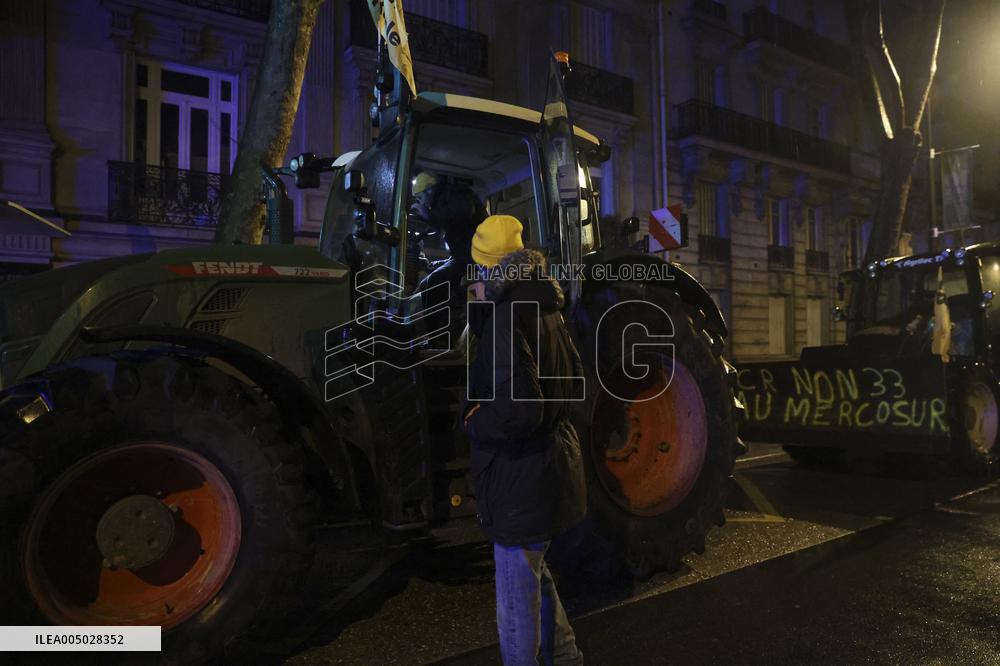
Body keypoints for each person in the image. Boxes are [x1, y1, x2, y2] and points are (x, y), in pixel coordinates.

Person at [461, 214, 587, 665]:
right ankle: (568, 659)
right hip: (549, 469)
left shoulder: (505, 319)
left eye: (477, 267)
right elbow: (571, 383)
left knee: (516, 604)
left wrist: (475, 422)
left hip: (519, 481)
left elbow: (519, 411)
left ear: (489, 269)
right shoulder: (548, 308)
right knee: (537, 575)